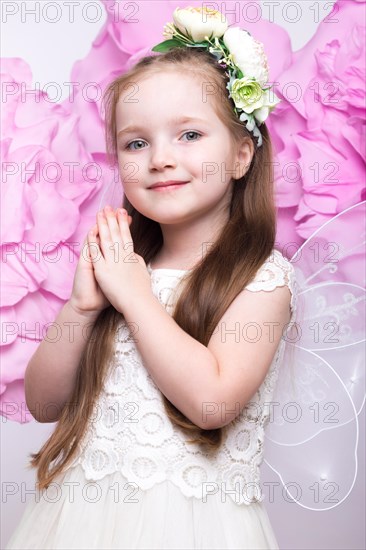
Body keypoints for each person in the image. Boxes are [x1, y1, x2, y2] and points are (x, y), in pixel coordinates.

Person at [6, 7, 298, 549]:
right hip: (81, 520)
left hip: (193, 525)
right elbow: (44, 405)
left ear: (240, 154)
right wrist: (82, 308)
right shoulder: (118, 264)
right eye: (136, 143)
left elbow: (212, 403)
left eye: (189, 134)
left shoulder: (263, 279)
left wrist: (137, 299)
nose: (160, 158)